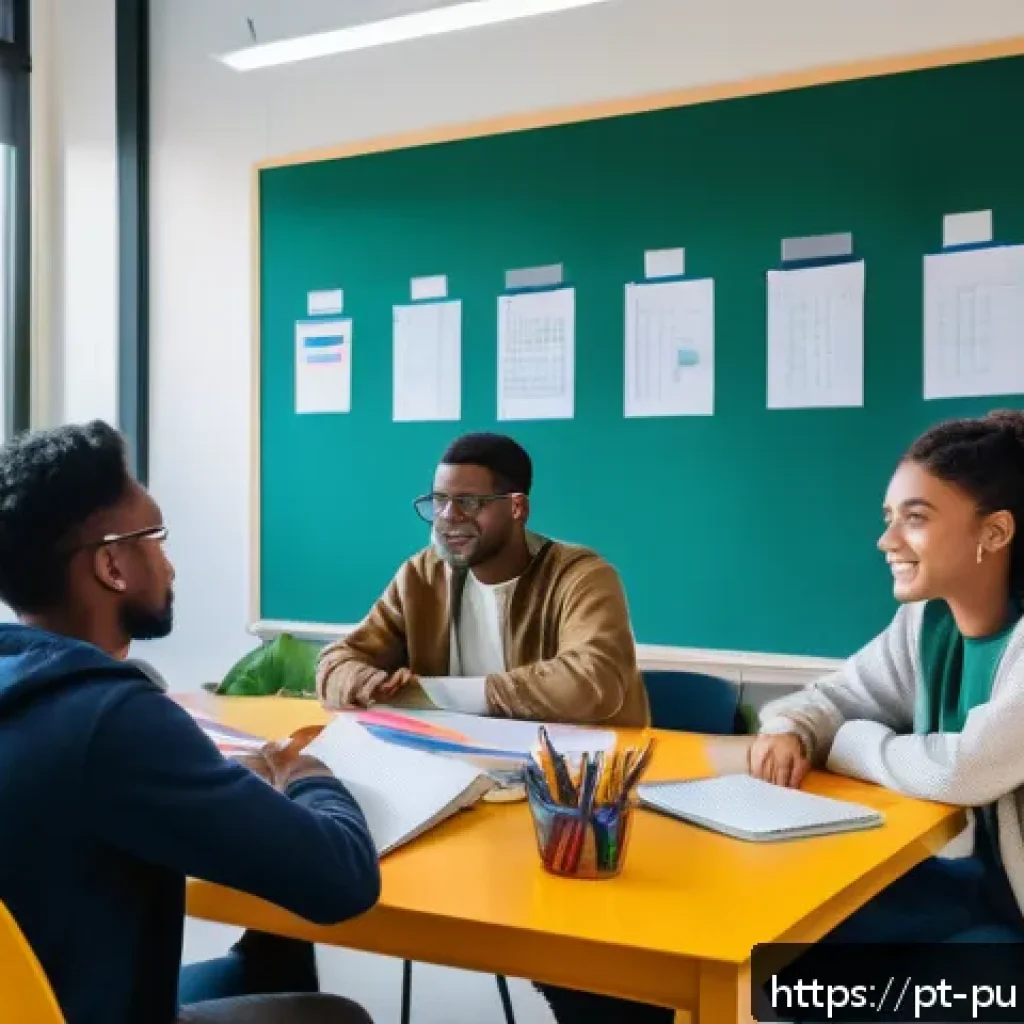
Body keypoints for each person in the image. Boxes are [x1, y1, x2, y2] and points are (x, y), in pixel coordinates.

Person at [0, 421, 381, 1024]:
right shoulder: (114, 721)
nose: (170, 566)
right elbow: (344, 881)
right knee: (337, 1017)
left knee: (267, 959)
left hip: (41, 997)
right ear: (112, 566)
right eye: (156, 537)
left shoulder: (22, 683)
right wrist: (307, 772)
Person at [751, 409, 1024, 953]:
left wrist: (846, 741)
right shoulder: (928, 622)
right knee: (785, 941)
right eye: (889, 516)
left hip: (1011, 920)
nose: (887, 540)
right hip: (978, 891)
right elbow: (836, 696)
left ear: (994, 531)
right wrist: (792, 728)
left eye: (915, 517)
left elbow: (960, 770)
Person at [317, 431, 650, 728]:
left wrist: (432, 694)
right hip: (461, 759)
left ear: (517, 507)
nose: (447, 518)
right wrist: (368, 683)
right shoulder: (421, 575)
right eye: (439, 501)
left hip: (581, 773)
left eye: (468, 502)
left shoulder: (581, 576)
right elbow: (334, 663)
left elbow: (591, 681)